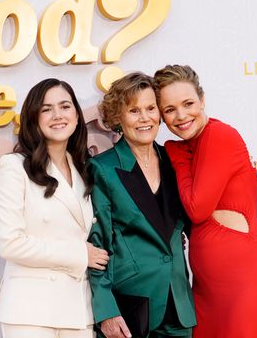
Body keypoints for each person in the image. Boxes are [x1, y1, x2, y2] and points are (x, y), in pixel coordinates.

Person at [154, 64, 257, 338]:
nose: (181, 116)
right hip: (206, 292)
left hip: (244, 287)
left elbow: (197, 209)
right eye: (170, 110)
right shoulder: (194, 145)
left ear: (202, 101)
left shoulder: (219, 136)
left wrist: (175, 154)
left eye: (188, 103)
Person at [0, 78, 109, 338]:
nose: (57, 115)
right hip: (30, 309)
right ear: (33, 118)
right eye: (46, 109)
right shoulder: (14, 166)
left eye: (65, 106)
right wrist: (79, 254)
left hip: (79, 308)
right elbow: (10, 243)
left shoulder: (85, 169)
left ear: (77, 115)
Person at [88, 72, 196, 338]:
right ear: (118, 118)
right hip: (130, 307)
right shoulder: (103, 169)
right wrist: (106, 311)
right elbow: (96, 246)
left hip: (179, 305)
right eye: (134, 110)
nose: (145, 118)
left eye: (151, 108)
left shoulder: (176, 161)